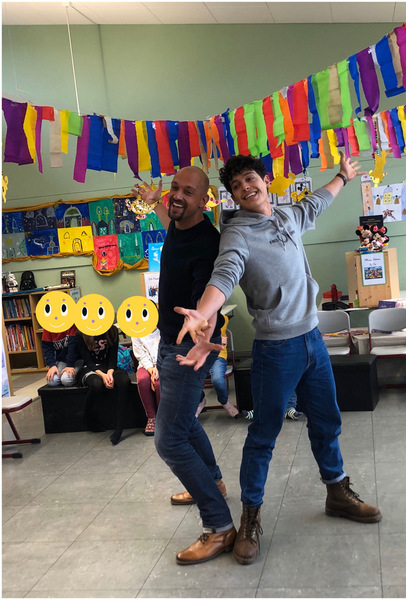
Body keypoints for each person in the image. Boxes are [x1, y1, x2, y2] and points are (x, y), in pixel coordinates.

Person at [175, 152, 382, 566]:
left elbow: (317, 202)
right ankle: (250, 517)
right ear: (232, 196)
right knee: (263, 436)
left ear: (265, 180)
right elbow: (224, 274)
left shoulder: (288, 215)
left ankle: (336, 491)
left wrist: (342, 176)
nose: (245, 188)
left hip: (313, 341)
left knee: (326, 422)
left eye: (250, 179)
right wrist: (202, 311)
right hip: (276, 350)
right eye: (236, 186)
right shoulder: (237, 233)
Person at [130, 166, 236, 566]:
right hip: (168, 341)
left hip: (189, 349)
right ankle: (213, 482)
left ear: (204, 200)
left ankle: (219, 526)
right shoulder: (179, 222)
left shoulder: (207, 244)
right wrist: (155, 201)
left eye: (187, 192)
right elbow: (169, 217)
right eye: (174, 188)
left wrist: (204, 328)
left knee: (169, 439)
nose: (177, 195)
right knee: (185, 424)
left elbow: (211, 296)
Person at [76, 324, 131, 445]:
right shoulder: (81, 333)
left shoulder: (112, 330)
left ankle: (119, 428)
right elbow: (88, 361)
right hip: (91, 368)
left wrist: (110, 373)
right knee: (97, 384)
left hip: (109, 367)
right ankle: (87, 416)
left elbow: (113, 356)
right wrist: (103, 375)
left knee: (125, 381)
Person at [195, 315, 240, 418]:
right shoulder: (195, 319)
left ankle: (224, 402)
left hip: (217, 356)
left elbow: (208, 336)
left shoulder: (222, 318)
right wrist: (214, 341)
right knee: (190, 379)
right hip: (199, 355)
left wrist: (207, 340)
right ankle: (200, 400)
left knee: (217, 380)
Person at [131, 326, 161, 436]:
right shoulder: (136, 331)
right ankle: (151, 417)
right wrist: (150, 369)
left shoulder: (163, 328)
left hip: (162, 364)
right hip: (145, 365)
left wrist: (158, 368)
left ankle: (163, 416)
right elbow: (140, 355)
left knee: (158, 384)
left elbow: (165, 350)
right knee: (143, 380)